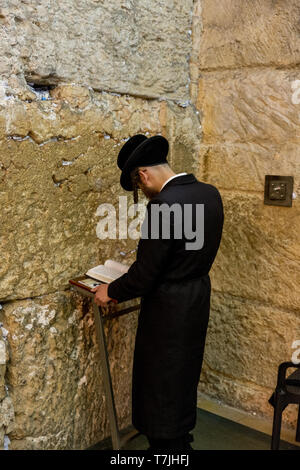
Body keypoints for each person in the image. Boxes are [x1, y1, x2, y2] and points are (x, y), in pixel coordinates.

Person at [92, 134, 224, 451]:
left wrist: (110, 290)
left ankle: (169, 450)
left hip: (167, 310)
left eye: (139, 187)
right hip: (195, 298)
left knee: (160, 385)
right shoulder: (208, 193)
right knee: (181, 378)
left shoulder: (165, 205)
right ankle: (179, 440)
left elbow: (146, 274)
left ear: (143, 174)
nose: (143, 193)